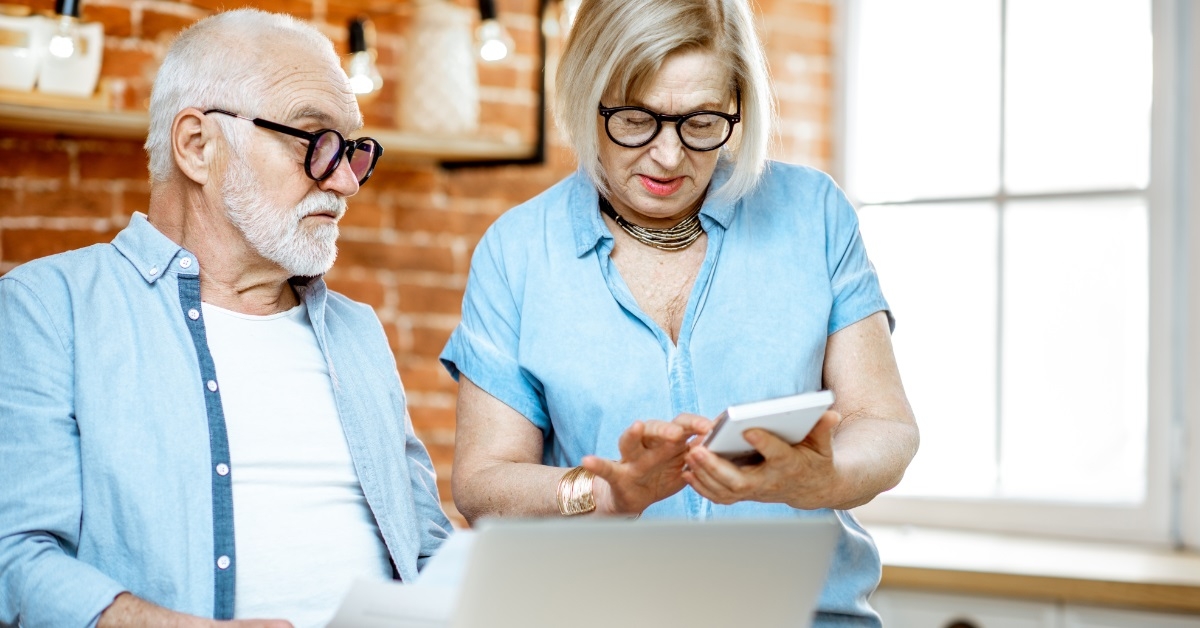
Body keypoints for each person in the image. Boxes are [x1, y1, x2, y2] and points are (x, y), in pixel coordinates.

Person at [439, 0, 918, 625]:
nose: (668, 156)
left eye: (700, 122)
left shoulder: (812, 215)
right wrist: (606, 495)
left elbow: (884, 425)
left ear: (739, 105)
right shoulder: (519, 250)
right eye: (636, 119)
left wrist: (819, 480)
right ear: (588, 95)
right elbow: (481, 485)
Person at [0, 9, 452, 628]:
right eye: (314, 141)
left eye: (353, 150)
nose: (345, 181)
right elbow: (14, 559)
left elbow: (428, 548)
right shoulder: (49, 309)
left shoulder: (358, 332)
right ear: (197, 145)